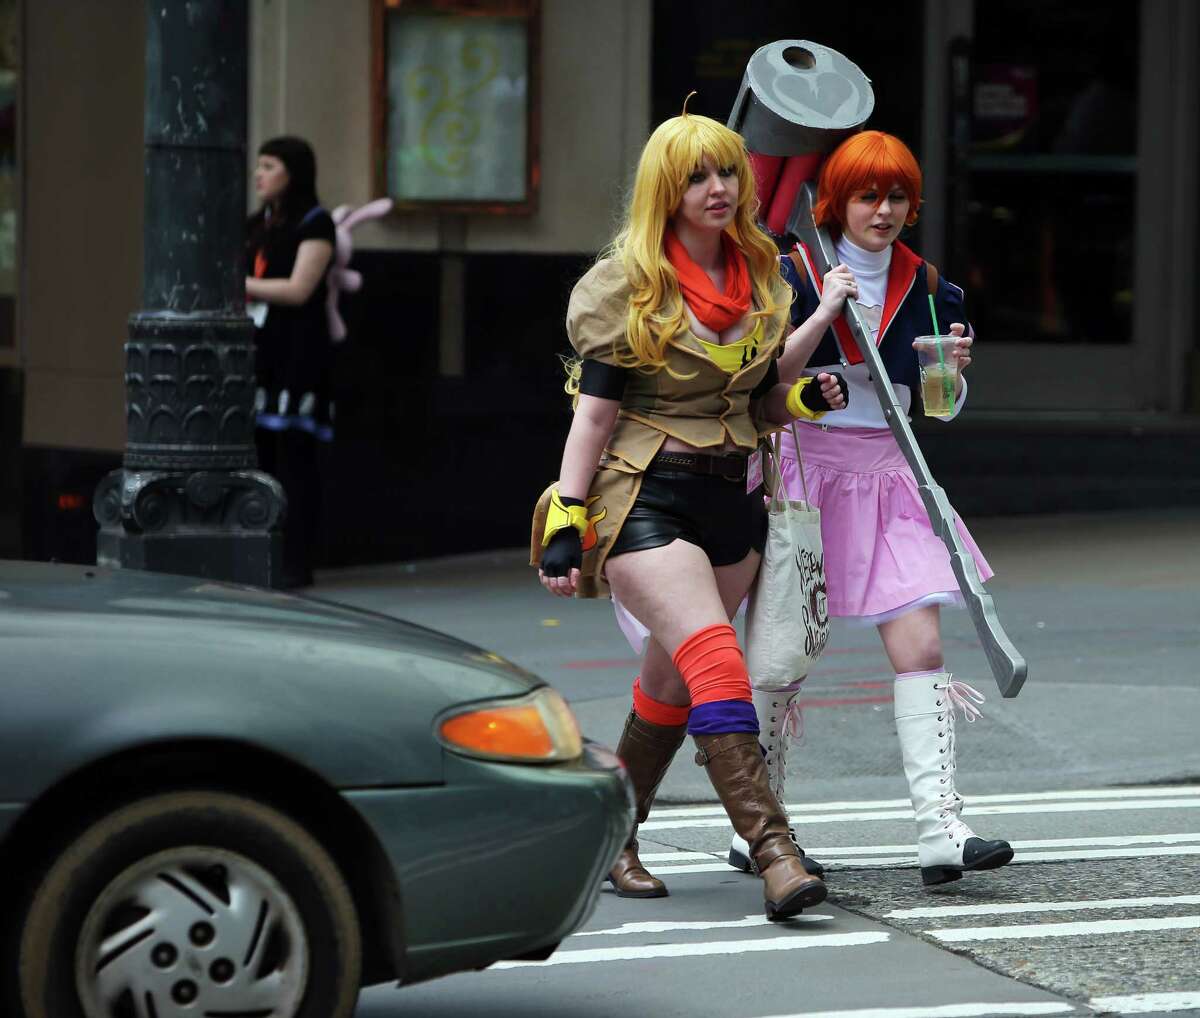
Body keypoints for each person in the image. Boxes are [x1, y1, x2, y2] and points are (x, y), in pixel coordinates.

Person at [531, 102, 848, 920]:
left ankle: (610, 837)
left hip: (731, 497)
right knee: (714, 661)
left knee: (671, 680)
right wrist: (567, 519)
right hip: (643, 495)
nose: (717, 187)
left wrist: (803, 397)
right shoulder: (625, 287)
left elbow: (757, 399)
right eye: (697, 176)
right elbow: (593, 418)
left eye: (727, 172)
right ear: (665, 192)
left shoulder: (761, 276)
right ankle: (775, 851)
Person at [727, 130, 1013, 888]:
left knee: (921, 647)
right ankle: (760, 825)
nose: (882, 211)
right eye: (867, 195)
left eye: (895, 197)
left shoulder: (932, 288)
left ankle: (940, 829)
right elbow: (763, 385)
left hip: (890, 476)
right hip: (802, 472)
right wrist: (819, 325)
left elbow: (938, 414)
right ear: (837, 202)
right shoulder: (791, 271)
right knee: (781, 661)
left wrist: (952, 377)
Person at [245, 136, 335, 589]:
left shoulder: (316, 223)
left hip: (297, 356)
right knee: (260, 455)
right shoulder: (257, 223)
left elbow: (300, 289)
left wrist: (238, 285)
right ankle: (262, 555)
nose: (259, 174)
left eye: (269, 165)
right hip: (259, 352)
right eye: (258, 165)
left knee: (295, 459)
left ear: (292, 172)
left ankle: (297, 561)